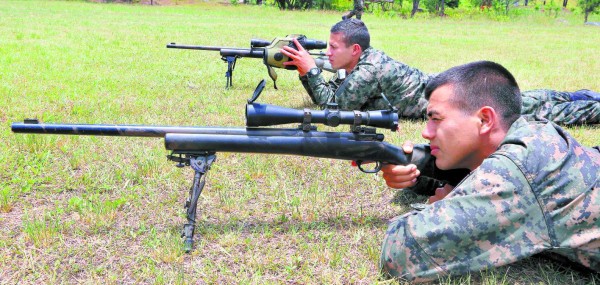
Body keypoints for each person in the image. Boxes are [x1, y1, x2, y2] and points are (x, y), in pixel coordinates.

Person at [378, 60, 600, 281]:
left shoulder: (516, 170)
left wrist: (439, 206)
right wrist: (414, 172)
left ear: (485, 119)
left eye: (437, 119)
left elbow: (401, 254)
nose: (426, 133)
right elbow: (473, 170)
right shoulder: (531, 132)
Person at [281, 19, 600, 125]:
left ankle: (590, 105)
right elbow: (341, 94)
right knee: (527, 100)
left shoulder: (367, 71)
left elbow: (332, 108)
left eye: (335, 47)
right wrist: (310, 69)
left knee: (530, 110)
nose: (329, 53)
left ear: (355, 51)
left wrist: (309, 70)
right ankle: (578, 95)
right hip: (454, 90)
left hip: (460, 101)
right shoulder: (366, 62)